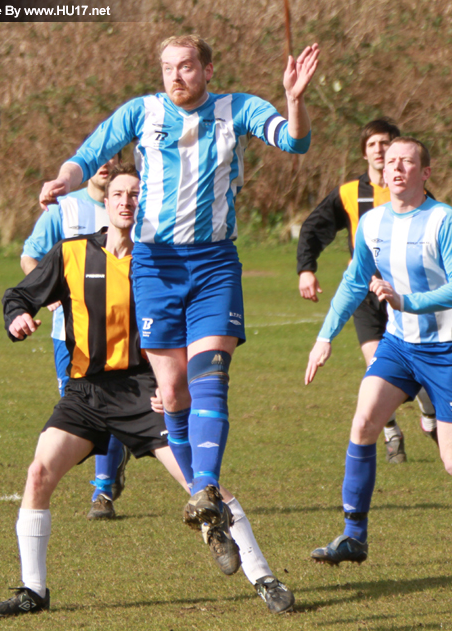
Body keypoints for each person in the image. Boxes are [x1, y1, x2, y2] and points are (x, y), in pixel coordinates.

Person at [38, 35, 319, 553]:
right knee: (171, 393)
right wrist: (63, 179)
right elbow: (89, 155)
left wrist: (294, 101)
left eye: (186, 67)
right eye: (168, 67)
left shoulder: (237, 108)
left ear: (208, 70)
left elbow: (295, 143)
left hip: (212, 262)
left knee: (210, 371)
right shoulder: (141, 111)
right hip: (154, 266)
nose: (176, 76)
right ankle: (202, 496)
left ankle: (206, 487)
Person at [0, 165, 295, 618]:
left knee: (203, 485)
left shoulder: (164, 261)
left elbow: (201, 327)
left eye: (136, 194)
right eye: (119, 193)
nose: (127, 201)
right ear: (106, 201)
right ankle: (33, 590)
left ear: (147, 202)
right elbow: (19, 294)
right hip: (85, 393)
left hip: (146, 394)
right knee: (38, 475)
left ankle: (265, 578)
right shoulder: (72, 252)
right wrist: (17, 318)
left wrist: (176, 387)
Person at [304, 137, 452, 567]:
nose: (395, 168)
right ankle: (353, 537)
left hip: (448, 352)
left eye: (407, 162)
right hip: (399, 347)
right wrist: (325, 336)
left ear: (425, 173)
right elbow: (354, 280)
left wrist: (407, 301)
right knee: (364, 423)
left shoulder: (444, 220)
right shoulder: (373, 223)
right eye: (390, 162)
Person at [297, 118, 437, 463]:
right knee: (377, 365)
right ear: (364, 152)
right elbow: (314, 228)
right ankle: (391, 434)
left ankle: (430, 415)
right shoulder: (348, 192)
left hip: (402, 294)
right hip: (363, 293)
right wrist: (306, 269)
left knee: (413, 366)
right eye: (373, 144)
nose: (379, 150)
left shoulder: (416, 193)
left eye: (386, 145)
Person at [22, 153, 132, 520]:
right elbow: (30, 257)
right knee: (81, 410)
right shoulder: (63, 209)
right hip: (69, 336)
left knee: (113, 405)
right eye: (98, 157)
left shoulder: (132, 204)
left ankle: (102, 491)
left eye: (112, 156)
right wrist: (49, 291)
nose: (105, 163)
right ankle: (110, 467)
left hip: (121, 335)